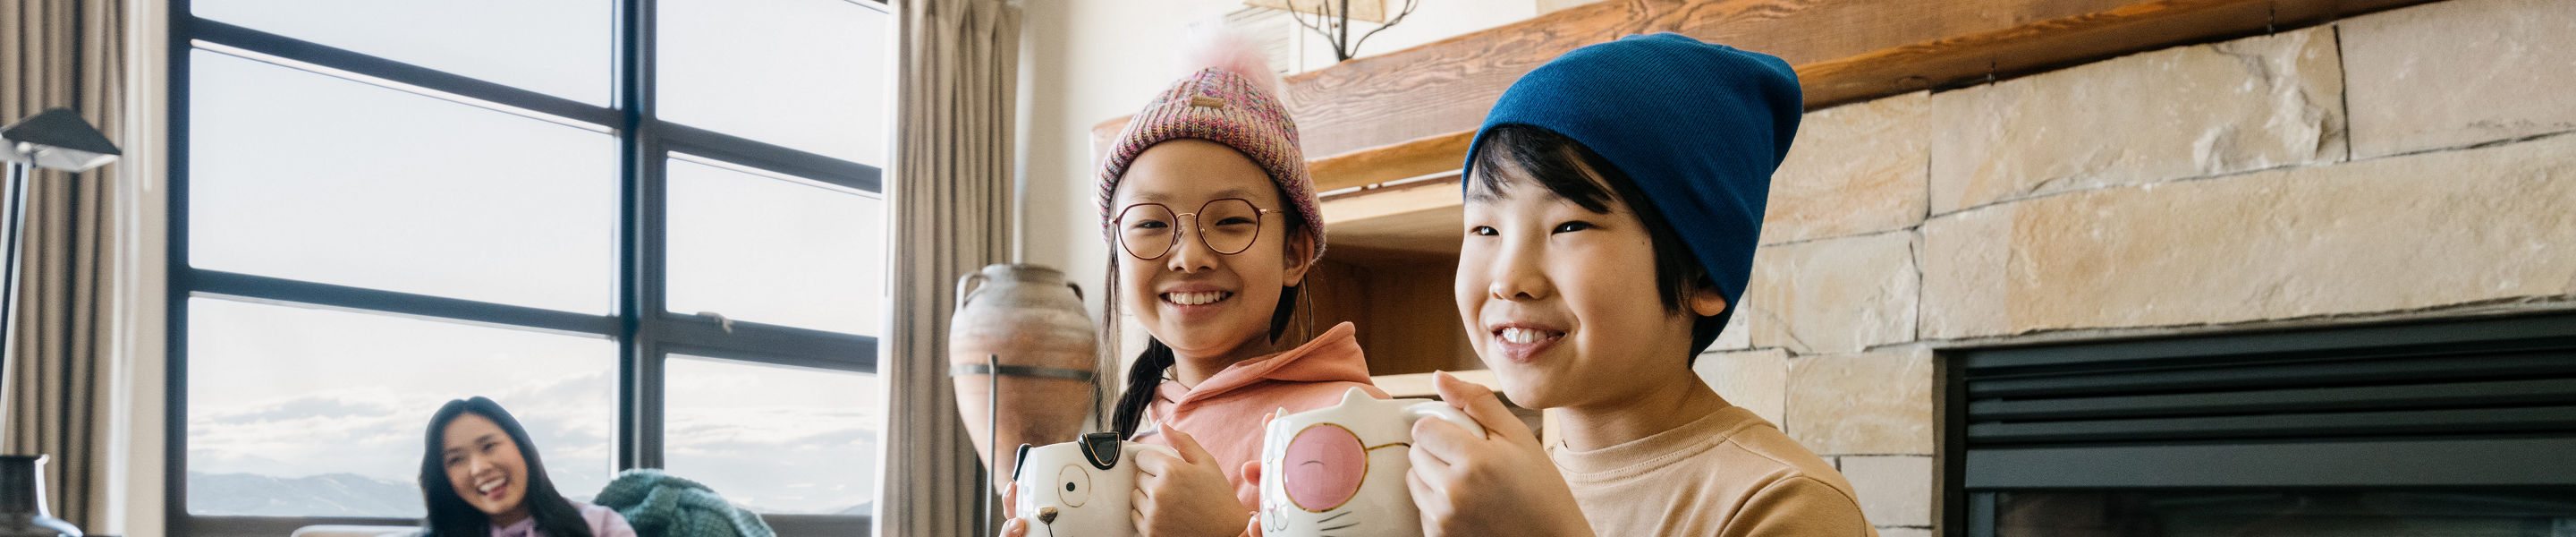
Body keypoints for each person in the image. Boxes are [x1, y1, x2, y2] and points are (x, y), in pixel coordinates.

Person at [1407, 33, 1879, 536]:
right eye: (1485, 229)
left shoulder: (1786, 503)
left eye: (1568, 226)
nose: (1508, 280)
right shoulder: (1487, 489)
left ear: (1701, 272)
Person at [999, 30, 1385, 537]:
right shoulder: (1134, 431)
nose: (1189, 257)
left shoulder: (1352, 423)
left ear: (1295, 252)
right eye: (1151, 224)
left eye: (1230, 221)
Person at [419, 396, 636, 537]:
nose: (478, 468)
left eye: (489, 446)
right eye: (456, 459)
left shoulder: (600, 526)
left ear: (522, 447)